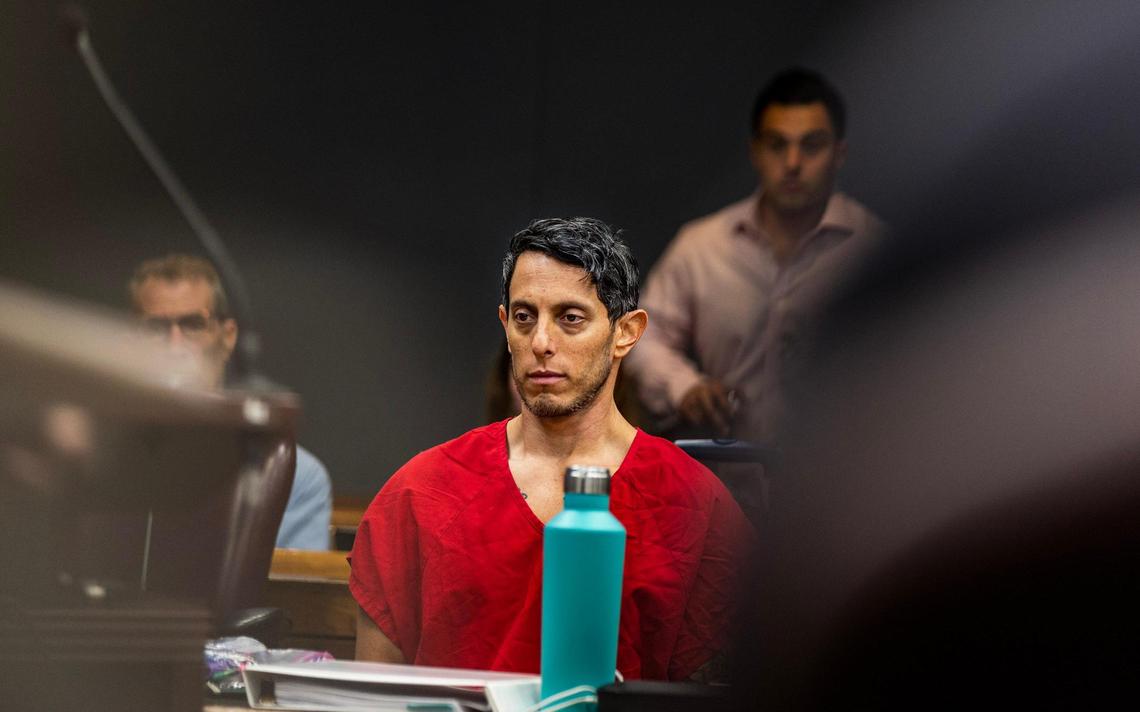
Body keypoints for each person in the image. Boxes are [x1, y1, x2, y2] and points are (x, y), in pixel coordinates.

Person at [350, 217, 754, 680]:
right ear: (505, 326)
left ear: (626, 332)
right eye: (524, 317)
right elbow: (372, 693)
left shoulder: (695, 502)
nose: (541, 342)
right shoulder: (422, 492)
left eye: (570, 318)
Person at [626, 67, 885, 444]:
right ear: (755, 151)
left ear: (839, 153)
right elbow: (642, 337)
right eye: (777, 144)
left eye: (811, 145)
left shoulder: (874, 247)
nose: (793, 162)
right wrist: (684, 388)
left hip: (843, 480)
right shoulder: (701, 247)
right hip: (720, 485)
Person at [129, 254, 332, 551]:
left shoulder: (293, 473)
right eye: (155, 329)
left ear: (227, 337)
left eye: (193, 324)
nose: (174, 346)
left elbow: (289, 595)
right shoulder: (93, 456)